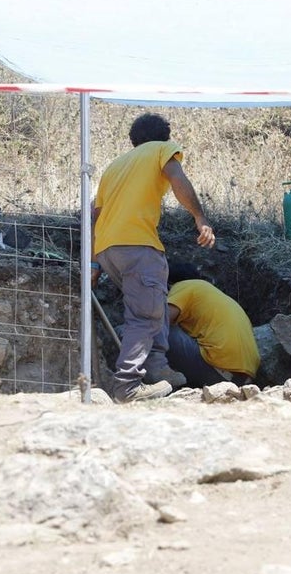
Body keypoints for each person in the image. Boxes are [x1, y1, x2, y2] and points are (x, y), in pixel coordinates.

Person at [92, 113, 215, 403]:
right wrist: (200, 217)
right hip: (137, 245)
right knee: (144, 316)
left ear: (133, 140)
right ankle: (128, 386)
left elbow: (95, 217)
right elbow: (177, 177)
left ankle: (159, 370)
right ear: (164, 138)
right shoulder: (161, 150)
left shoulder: (114, 167)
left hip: (109, 249)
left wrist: (94, 263)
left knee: (153, 303)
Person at [166, 278, 260, 388]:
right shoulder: (218, 297)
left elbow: (159, 322)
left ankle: (153, 374)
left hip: (216, 371)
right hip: (244, 381)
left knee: (154, 325)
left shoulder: (182, 286)